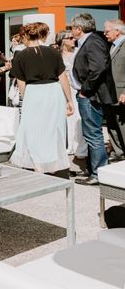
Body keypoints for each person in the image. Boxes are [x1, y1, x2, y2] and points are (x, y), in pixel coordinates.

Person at [10, 23, 74, 176]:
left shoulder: (21, 55)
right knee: (53, 128)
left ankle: (37, 163)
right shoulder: (53, 52)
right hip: (53, 91)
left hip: (33, 92)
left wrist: (27, 99)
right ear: (41, 35)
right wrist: (69, 99)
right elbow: (62, 76)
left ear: (26, 36)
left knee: (33, 128)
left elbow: (21, 82)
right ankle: (52, 162)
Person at [71, 13, 116, 185]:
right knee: (91, 133)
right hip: (88, 94)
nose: (71, 31)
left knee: (93, 134)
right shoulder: (89, 41)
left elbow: (98, 68)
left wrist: (85, 90)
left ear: (78, 29)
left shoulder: (93, 42)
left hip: (91, 95)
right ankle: (94, 171)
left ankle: (97, 174)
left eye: (72, 28)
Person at [56, 29, 87, 168]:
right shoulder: (57, 56)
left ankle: (80, 149)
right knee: (63, 120)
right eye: (69, 38)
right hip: (59, 90)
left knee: (77, 119)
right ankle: (66, 147)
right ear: (62, 40)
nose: (73, 39)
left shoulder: (78, 53)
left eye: (73, 37)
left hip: (75, 89)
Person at [103, 19, 125, 160]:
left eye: (107, 30)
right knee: (112, 125)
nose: (104, 33)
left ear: (117, 31)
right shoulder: (111, 46)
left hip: (121, 94)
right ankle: (119, 154)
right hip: (110, 94)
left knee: (122, 126)